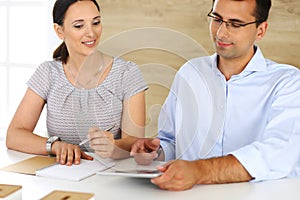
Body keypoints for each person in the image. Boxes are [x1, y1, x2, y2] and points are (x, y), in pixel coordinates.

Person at [130, 0, 300, 191]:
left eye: (235, 24)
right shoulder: (190, 72)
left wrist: (198, 171)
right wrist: (155, 152)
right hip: (187, 195)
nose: (221, 33)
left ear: (260, 30)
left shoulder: (288, 82)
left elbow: (279, 152)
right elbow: (172, 141)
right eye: (217, 19)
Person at [6, 0, 147, 166]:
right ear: (59, 31)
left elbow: (136, 142)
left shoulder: (126, 73)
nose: (91, 33)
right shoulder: (48, 73)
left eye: (96, 22)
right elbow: (14, 135)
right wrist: (55, 146)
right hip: (60, 176)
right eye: (79, 26)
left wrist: (114, 146)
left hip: (109, 178)